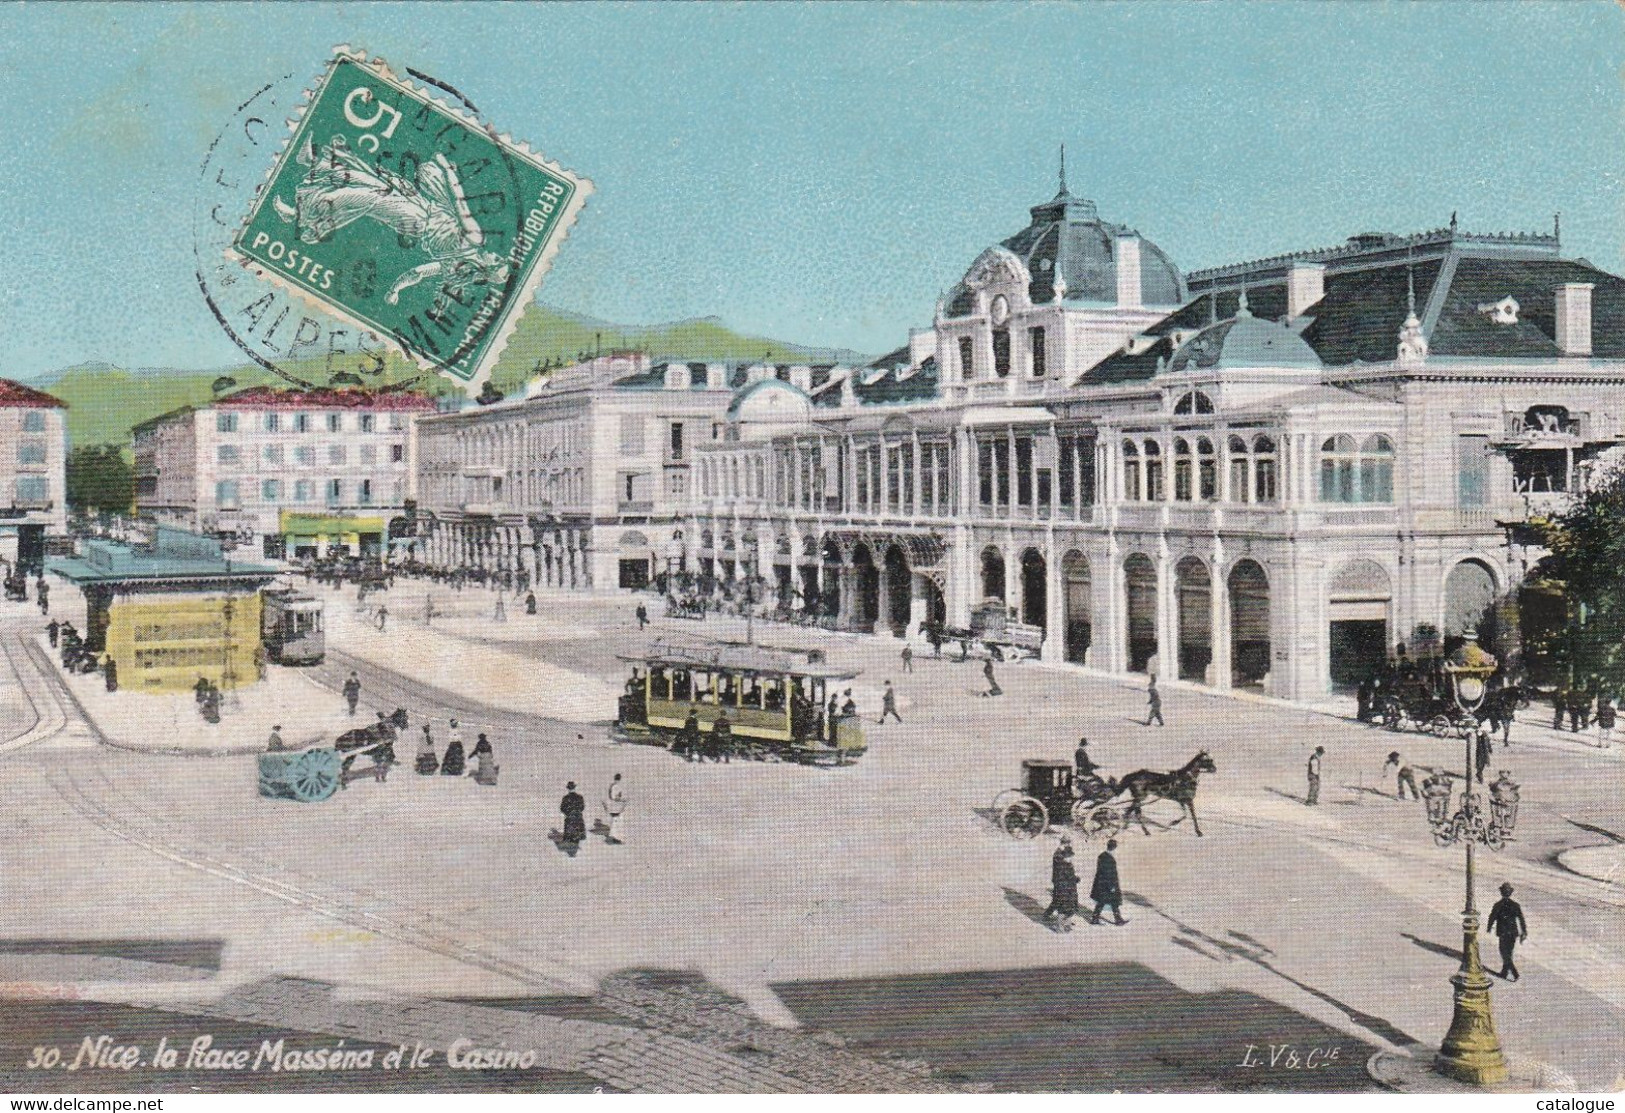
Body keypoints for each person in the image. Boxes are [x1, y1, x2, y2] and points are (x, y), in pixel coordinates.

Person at [1486, 881, 1528, 980]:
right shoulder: (1515, 905)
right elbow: (1521, 919)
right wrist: (1524, 931)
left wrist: (1489, 927)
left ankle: (1514, 973)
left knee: (1503, 952)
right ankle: (1504, 972)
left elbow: (1492, 917)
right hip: (1513, 932)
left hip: (1503, 932)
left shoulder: (1498, 905)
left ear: (1501, 893)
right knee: (1509, 952)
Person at [1043, 838, 1080, 932]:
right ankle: (1059, 922)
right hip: (1061, 883)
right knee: (1060, 901)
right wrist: (1073, 878)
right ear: (1065, 843)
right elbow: (1061, 871)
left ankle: (1063, 921)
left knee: (1059, 901)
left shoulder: (1064, 853)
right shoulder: (1058, 854)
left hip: (1066, 884)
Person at [1090, 839, 1127, 925]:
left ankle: (1095, 918)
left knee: (1102, 902)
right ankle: (1118, 920)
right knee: (1113, 902)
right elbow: (1108, 874)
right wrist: (1112, 886)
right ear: (1114, 848)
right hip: (1108, 884)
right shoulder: (1109, 859)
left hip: (1101, 884)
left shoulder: (1102, 856)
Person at [560, 781, 587, 851]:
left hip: (569, 818)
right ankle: (575, 847)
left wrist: (568, 813)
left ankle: (571, 848)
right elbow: (582, 807)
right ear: (575, 788)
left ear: (568, 789)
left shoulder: (565, 798)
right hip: (578, 818)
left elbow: (562, 808)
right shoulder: (580, 797)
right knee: (577, 833)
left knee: (570, 833)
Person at [604, 773, 627, 844]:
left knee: (615, 822)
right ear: (620, 779)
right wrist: (622, 800)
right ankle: (616, 838)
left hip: (613, 807)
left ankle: (614, 838)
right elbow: (614, 797)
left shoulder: (613, 786)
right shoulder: (616, 786)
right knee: (617, 823)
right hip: (616, 806)